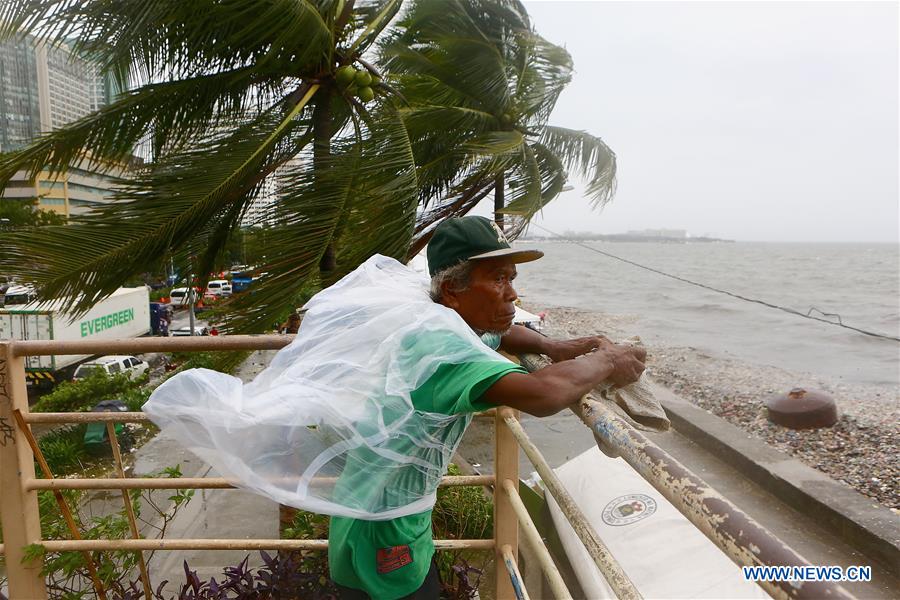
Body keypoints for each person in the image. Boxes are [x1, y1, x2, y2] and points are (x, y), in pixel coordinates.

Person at [328, 216, 646, 599]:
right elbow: (544, 393)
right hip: (387, 536)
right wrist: (609, 361)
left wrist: (551, 346)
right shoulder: (448, 353)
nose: (512, 294)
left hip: (364, 510)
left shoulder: (433, 319)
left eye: (511, 278)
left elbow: (499, 330)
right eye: (498, 279)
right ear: (452, 290)